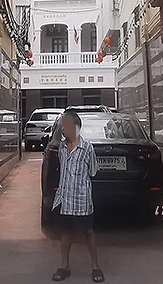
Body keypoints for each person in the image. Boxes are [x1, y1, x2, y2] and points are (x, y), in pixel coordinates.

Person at [51, 111, 103, 283]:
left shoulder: (87, 148)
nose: (62, 129)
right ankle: (64, 266)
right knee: (66, 232)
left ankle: (95, 267)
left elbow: (93, 171)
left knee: (88, 231)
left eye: (65, 126)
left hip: (81, 199)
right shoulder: (62, 148)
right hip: (65, 198)